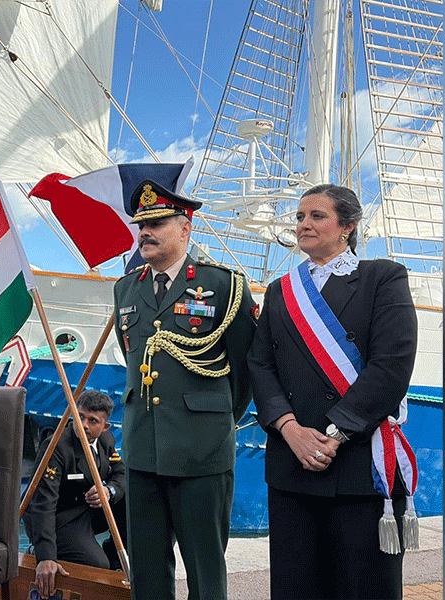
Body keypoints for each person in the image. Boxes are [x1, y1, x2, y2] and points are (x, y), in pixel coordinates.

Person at [247, 183, 418, 599]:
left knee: (362, 588)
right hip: (293, 464)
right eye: (300, 217)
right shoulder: (280, 290)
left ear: (348, 227)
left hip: (358, 466)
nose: (304, 224)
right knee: (296, 587)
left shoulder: (383, 278)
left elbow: (391, 365)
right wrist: (291, 430)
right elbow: (260, 364)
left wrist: (333, 434)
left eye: (316, 216)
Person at [112, 179, 256, 600]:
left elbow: (245, 368)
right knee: (148, 572)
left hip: (202, 451)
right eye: (141, 225)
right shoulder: (126, 288)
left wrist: (214, 420)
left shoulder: (223, 284)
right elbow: (133, 359)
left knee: (205, 572)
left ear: (185, 229)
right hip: (142, 451)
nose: (145, 233)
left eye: (156, 223)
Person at [25, 389, 127, 596]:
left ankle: (116, 563)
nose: (84, 425)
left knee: (132, 499)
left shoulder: (106, 441)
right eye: (80, 417)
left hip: (88, 510)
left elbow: (121, 473)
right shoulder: (56, 447)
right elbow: (43, 502)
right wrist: (45, 556)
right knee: (96, 566)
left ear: (105, 426)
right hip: (59, 518)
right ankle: (38, 549)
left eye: (93, 420)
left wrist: (109, 491)